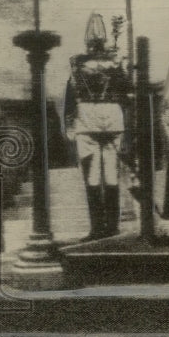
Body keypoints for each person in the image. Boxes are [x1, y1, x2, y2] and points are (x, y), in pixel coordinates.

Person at [63, 13, 132, 240]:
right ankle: (112, 227)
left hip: (86, 120)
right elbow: (126, 93)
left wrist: (69, 125)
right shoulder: (116, 63)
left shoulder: (76, 64)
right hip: (113, 118)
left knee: (92, 178)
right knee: (111, 175)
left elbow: (71, 97)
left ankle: (97, 228)